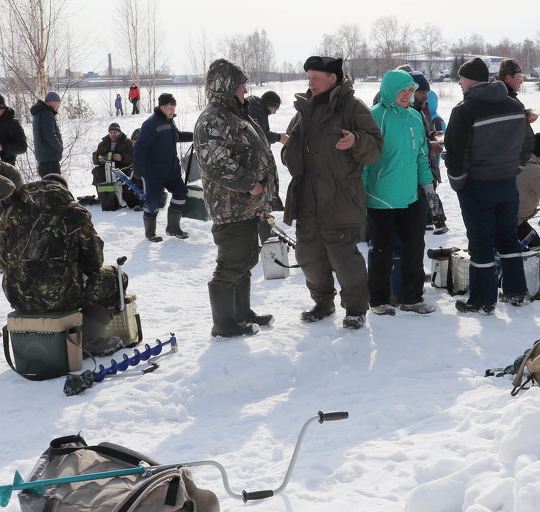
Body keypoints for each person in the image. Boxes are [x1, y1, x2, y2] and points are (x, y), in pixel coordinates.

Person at [283, 55, 383, 329]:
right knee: (309, 256)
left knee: (344, 257)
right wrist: (289, 150)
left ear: (333, 78)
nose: (310, 81)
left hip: (340, 197)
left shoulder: (352, 107)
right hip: (307, 198)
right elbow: (290, 149)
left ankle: (355, 309)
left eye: (315, 76)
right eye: (308, 77)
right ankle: (323, 303)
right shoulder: (304, 110)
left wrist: (356, 140)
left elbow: (375, 147)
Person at [193, 58, 280, 338]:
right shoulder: (212, 120)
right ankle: (223, 323)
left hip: (248, 203)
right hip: (230, 205)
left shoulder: (235, 114)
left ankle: (242, 313)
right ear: (226, 86)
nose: (245, 89)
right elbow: (217, 164)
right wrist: (250, 183)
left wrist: (262, 196)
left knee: (246, 259)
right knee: (231, 263)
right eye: (241, 84)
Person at [0, 174, 129, 355]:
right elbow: (94, 261)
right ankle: (89, 341)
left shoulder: (9, 211)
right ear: (63, 190)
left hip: (18, 296)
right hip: (62, 297)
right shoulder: (74, 212)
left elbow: (2, 258)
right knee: (117, 278)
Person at [444, 57, 533, 312]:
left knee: (481, 243)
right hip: (507, 184)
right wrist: (514, 168)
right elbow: (529, 143)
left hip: (478, 186)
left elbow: (455, 152)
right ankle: (517, 291)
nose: (460, 84)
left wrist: (458, 182)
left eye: (461, 79)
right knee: (507, 238)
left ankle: (483, 301)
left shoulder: (464, 110)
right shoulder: (514, 105)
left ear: (471, 80)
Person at [364, 69, 435, 317]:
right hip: (380, 196)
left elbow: (420, 156)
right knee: (382, 251)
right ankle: (379, 300)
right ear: (389, 91)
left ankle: (411, 298)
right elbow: (364, 160)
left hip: (409, 197)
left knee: (414, 248)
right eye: (402, 91)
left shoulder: (415, 118)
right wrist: (360, 194)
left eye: (410, 91)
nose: (407, 95)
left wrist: (428, 186)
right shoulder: (375, 116)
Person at [133, 93, 193, 241]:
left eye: (174, 108)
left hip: (171, 170)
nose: (172, 111)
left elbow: (177, 135)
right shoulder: (151, 124)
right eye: (170, 108)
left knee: (180, 192)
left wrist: (195, 136)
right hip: (153, 172)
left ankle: (173, 228)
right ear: (162, 107)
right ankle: (150, 232)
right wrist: (138, 169)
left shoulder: (169, 121)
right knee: (153, 202)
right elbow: (140, 147)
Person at [408, 71, 447, 234]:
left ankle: (433, 222)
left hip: (428, 164)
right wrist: (428, 143)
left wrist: (432, 135)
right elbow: (409, 141)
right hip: (413, 171)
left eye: (426, 92)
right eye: (421, 92)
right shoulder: (406, 112)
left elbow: (423, 132)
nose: (425, 96)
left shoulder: (424, 108)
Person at [30, 91, 64, 177]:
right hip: (49, 157)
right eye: (57, 103)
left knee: (46, 185)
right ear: (52, 102)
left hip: (42, 156)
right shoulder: (47, 113)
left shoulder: (38, 113)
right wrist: (59, 147)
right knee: (54, 185)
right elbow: (49, 135)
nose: (58, 105)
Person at [496, 58, 539, 123]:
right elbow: (506, 116)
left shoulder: (508, 95)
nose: (521, 81)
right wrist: (525, 115)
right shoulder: (499, 97)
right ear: (508, 78)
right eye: (519, 77)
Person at [92, 122, 133, 187]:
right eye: (111, 132)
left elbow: (133, 158)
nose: (113, 134)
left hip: (123, 168)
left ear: (119, 132)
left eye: (115, 132)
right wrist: (99, 159)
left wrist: (122, 158)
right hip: (106, 168)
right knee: (97, 173)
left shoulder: (127, 143)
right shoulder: (103, 144)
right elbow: (96, 157)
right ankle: (104, 194)